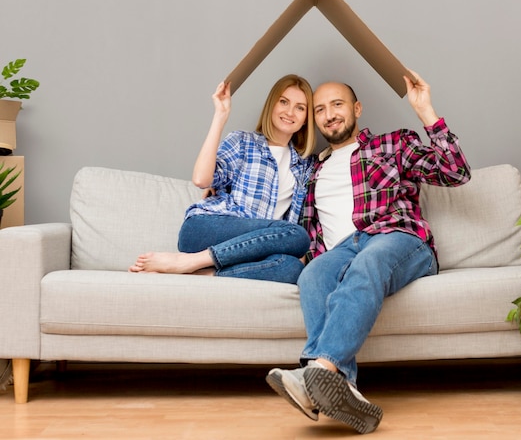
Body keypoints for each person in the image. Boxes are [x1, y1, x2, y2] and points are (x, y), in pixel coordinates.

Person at [266, 70, 471, 434]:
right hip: (340, 250)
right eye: (320, 110)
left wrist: (426, 111)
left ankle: (319, 369)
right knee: (313, 274)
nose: (329, 114)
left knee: (369, 259)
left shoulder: (393, 144)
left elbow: (456, 172)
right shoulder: (311, 170)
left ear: (356, 109)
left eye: (337, 105)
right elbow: (276, 198)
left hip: (399, 238)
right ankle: (343, 391)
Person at [129, 74, 316, 284]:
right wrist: (220, 115)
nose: (290, 112)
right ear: (272, 104)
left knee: (291, 268)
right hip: (206, 229)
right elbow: (201, 179)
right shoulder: (243, 142)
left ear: (306, 118)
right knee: (297, 235)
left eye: (300, 107)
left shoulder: (306, 167)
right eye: (284, 102)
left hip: (252, 249)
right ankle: (190, 261)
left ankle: (200, 271)